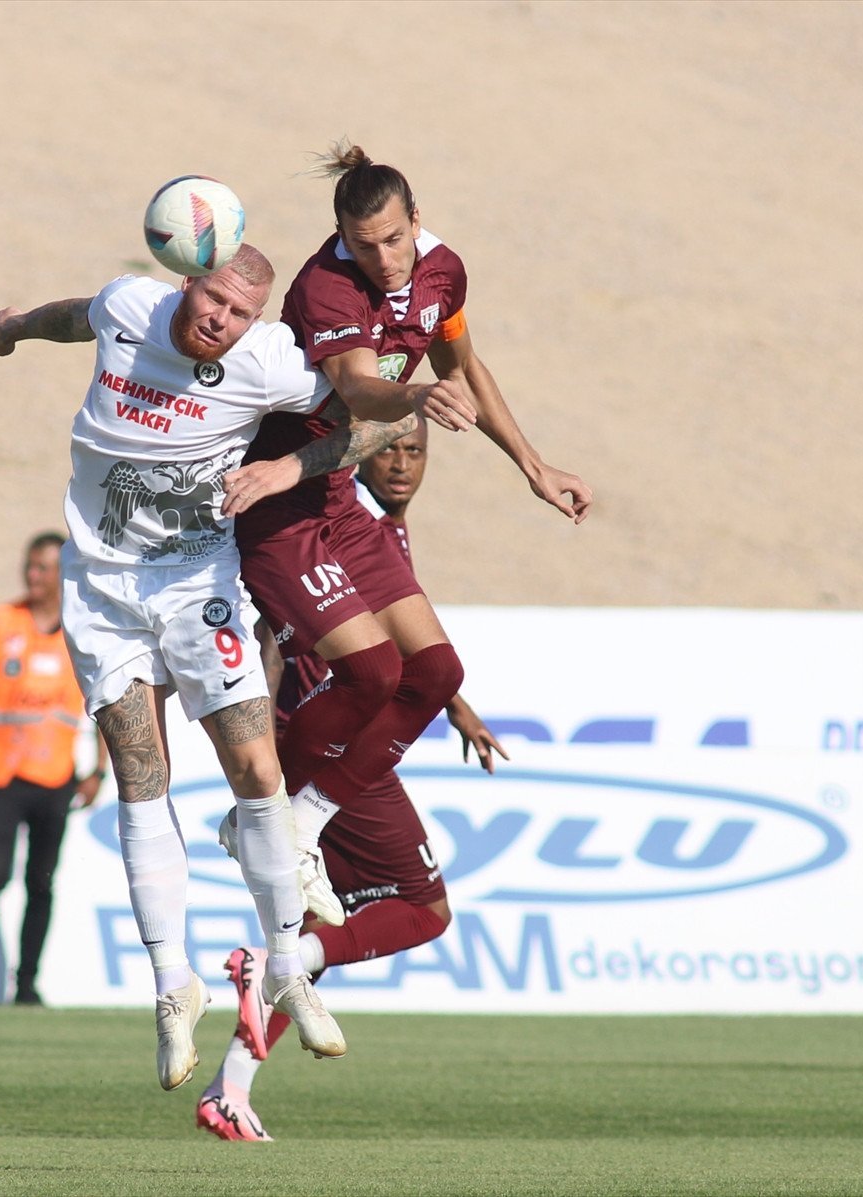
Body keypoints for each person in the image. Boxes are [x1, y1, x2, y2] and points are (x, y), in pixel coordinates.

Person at [0, 245, 467, 1089]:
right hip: (100, 586)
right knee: (140, 769)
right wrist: (14, 328)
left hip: (198, 580)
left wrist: (289, 464)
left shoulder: (270, 360)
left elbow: (380, 421)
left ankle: (285, 964)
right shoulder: (129, 307)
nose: (222, 322)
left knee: (254, 765)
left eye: (241, 313)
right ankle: (173, 987)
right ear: (186, 284)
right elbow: (75, 314)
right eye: (214, 303)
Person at [220, 143, 593, 914]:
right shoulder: (326, 287)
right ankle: (260, 815)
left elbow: (467, 364)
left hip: (337, 497)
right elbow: (357, 387)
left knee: (434, 674)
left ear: (416, 220)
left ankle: (301, 822)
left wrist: (532, 463)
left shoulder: (442, 270)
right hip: (282, 503)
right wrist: (418, 396)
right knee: (373, 674)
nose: (384, 258)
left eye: (394, 239)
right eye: (365, 245)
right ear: (339, 240)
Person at [197, 418, 509, 1142]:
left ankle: (230, 1089)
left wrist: (454, 704)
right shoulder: (341, 519)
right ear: (354, 454)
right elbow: (276, 632)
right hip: (334, 746)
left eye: (415, 451)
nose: (401, 463)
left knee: (325, 917)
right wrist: (262, 764)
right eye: (389, 447)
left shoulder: (384, 533)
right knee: (423, 908)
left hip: (340, 742)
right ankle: (277, 962)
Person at [0, 531, 108, 1007]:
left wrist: (98, 770)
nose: (33, 575)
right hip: (1, 773)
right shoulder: (0, 622)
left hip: (56, 778)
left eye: (43, 567)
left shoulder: (83, 629)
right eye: (30, 565)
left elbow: (107, 701)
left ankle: (27, 984)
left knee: (40, 882)